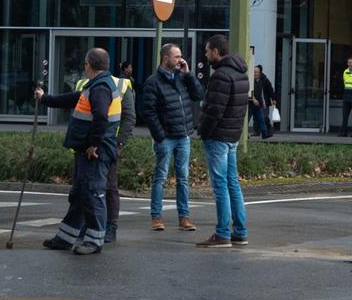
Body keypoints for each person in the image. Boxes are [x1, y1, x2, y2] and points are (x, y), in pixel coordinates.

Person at [35, 46, 119, 255]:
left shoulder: (101, 88)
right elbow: (73, 98)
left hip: (94, 153)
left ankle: (94, 241)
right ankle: (66, 237)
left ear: (88, 65)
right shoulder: (98, 84)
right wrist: (45, 98)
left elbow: (101, 118)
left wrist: (94, 145)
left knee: (93, 194)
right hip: (88, 150)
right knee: (81, 195)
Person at [138, 42, 200, 232]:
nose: (180, 59)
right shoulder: (153, 82)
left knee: (183, 178)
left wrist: (188, 74)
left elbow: (198, 95)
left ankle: (184, 217)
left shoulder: (182, 78)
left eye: (180, 56)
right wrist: (160, 136)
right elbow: (148, 111)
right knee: (160, 178)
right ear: (166, 59)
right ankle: (156, 217)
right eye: (176, 56)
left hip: (183, 135)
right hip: (166, 138)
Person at [196, 33, 249, 248]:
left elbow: (214, 110)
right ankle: (240, 231)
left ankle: (222, 233)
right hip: (232, 135)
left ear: (216, 52)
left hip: (217, 136)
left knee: (220, 186)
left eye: (208, 51)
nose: (206, 55)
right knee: (232, 184)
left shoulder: (220, 76)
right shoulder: (241, 74)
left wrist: (203, 131)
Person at [101, 62, 135, 243]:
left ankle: (110, 226)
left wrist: (119, 144)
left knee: (109, 187)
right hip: (87, 146)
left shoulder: (122, 86)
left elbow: (129, 117)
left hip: (109, 146)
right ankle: (86, 224)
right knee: (84, 187)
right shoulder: (84, 84)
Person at [249, 63, 279, 141]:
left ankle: (266, 133)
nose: (255, 73)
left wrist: (273, 99)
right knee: (253, 119)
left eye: (257, 72)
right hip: (253, 103)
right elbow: (249, 91)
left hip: (261, 103)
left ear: (260, 73)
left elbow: (270, 90)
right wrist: (254, 99)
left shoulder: (264, 80)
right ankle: (258, 132)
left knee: (263, 118)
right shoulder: (251, 80)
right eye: (254, 72)